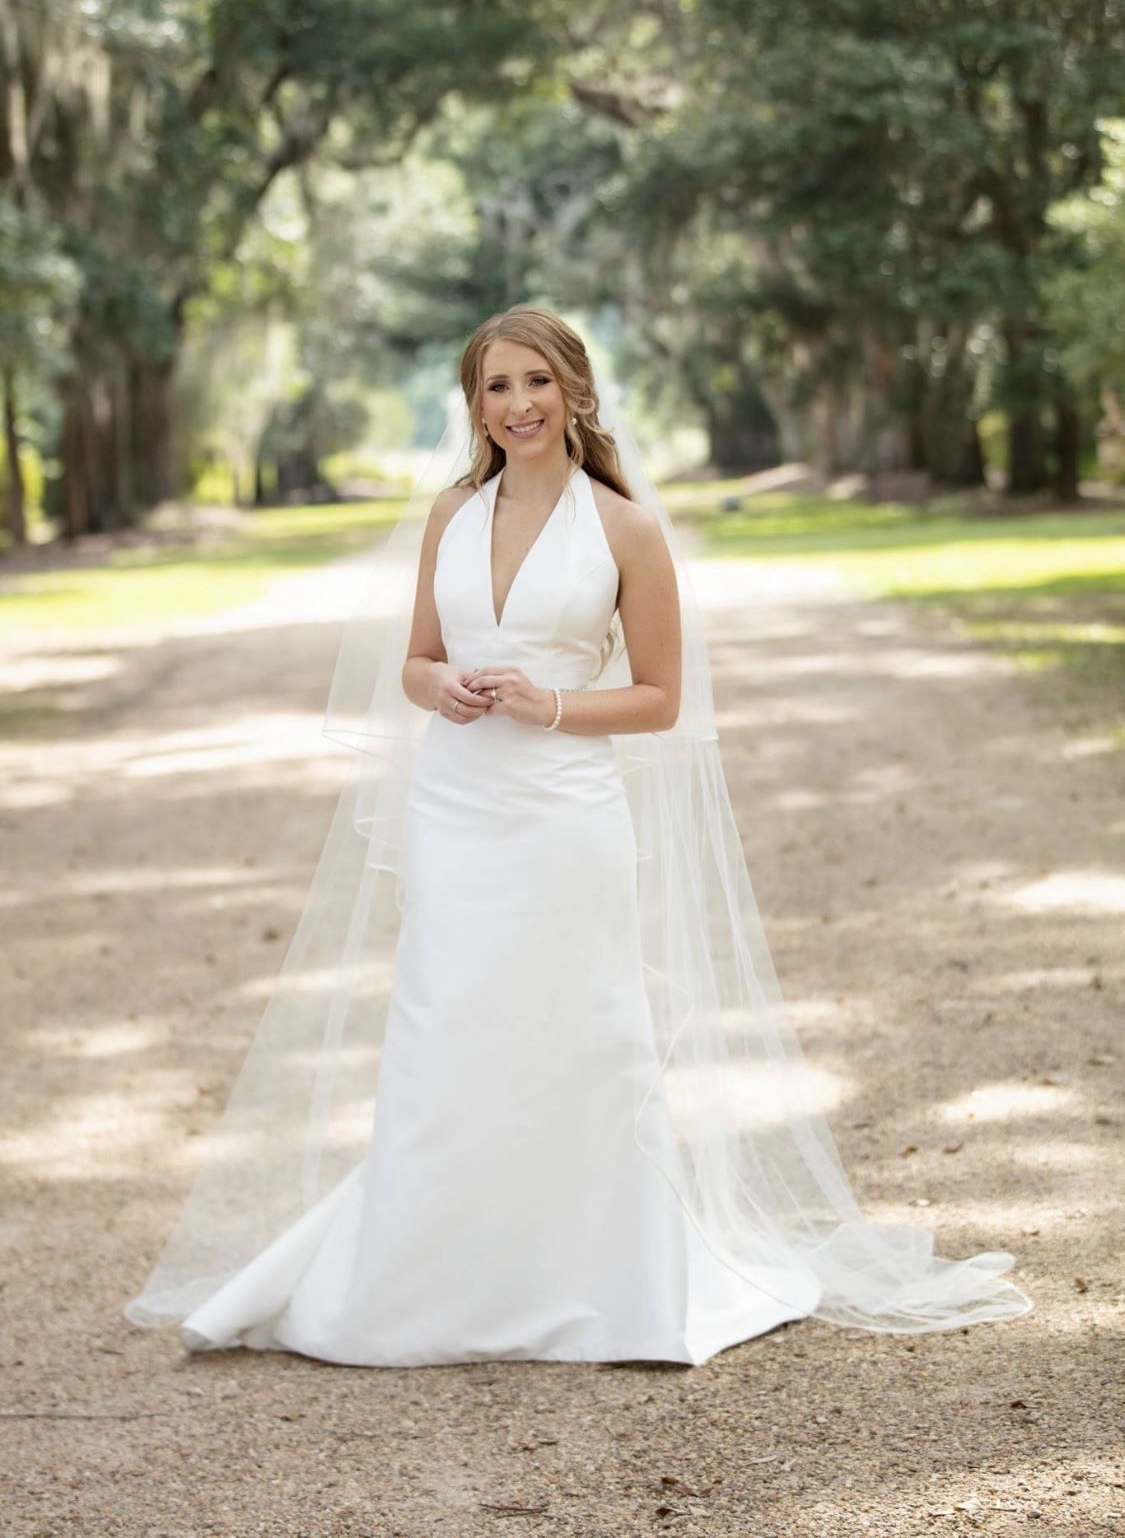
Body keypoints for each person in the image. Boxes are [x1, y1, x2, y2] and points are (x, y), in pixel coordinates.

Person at [123, 305, 1033, 1364]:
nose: (517, 405)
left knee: (580, 1028)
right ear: (476, 404)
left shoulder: (626, 529)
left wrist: (548, 703)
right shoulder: (451, 514)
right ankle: (420, 1283)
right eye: (496, 386)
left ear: (575, 391)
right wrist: (446, 684)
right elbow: (414, 659)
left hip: (563, 812)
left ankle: (607, 1281)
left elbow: (660, 696)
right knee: (443, 1025)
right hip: (457, 805)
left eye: (536, 382)